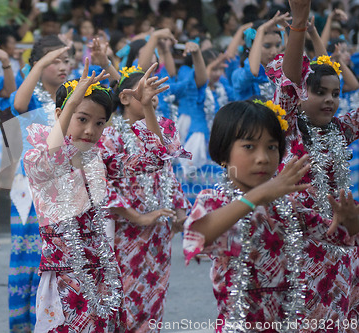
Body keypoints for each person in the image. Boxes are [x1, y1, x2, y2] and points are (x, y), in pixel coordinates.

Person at [24, 61, 189, 332]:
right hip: (66, 277)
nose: (90, 130)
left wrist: (146, 107)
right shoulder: (36, 157)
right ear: (60, 115)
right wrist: (72, 100)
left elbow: (155, 159)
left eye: (99, 122)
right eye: (82, 119)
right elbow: (53, 160)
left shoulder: (99, 158)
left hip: (105, 272)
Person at [183, 99, 359, 330]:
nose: (263, 158)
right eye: (249, 147)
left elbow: (336, 235)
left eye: (272, 147)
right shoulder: (214, 200)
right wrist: (256, 197)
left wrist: (352, 223)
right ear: (223, 154)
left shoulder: (286, 206)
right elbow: (197, 235)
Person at [267, 0, 359, 321]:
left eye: (335, 94)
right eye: (320, 92)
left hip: (343, 249)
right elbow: (289, 83)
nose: (330, 100)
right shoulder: (288, 128)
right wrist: (300, 22)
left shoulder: (340, 128)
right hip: (302, 250)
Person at [98, 65, 191, 331]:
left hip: (158, 231)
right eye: (145, 92)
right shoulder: (108, 133)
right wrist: (137, 216)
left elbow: (166, 165)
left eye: (156, 92)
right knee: (124, 299)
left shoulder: (164, 127)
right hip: (125, 231)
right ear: (125, 98)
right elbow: (101, 183)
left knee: (154, 298)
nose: (154, 97)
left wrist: (180, 208)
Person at [7, 35, 70, 332]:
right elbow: (18, 105)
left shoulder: (72, 94)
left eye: (65, 60)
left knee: (60, 255)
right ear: (37, 65)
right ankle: (25, 324)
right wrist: (41, 62)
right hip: (30, 188)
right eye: (54, 60)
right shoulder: (29, 95)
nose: (62, 66)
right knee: (27, 253)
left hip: (64, 186)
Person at [231, 12, 289, 100]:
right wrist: (261, 30)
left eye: (277, 45)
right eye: (267, 46)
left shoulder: (283, 71)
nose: (274, 52)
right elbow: (252, 72)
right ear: (252, 47)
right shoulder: (238, 75)